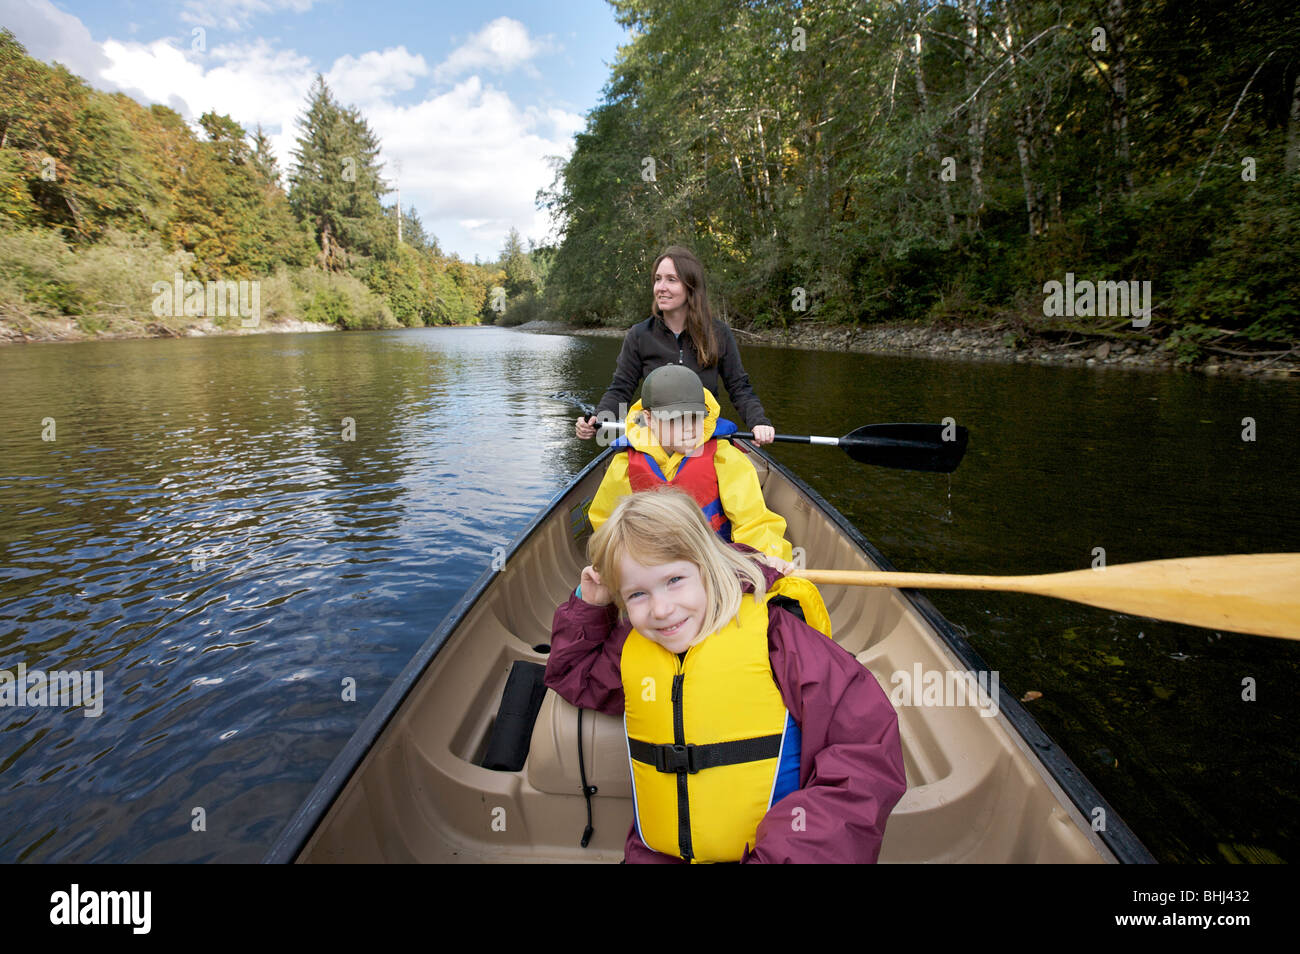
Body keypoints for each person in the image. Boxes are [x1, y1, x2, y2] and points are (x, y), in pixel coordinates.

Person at [546, 487, 906, 864]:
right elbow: (574, 675)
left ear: (708, 564)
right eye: (637, 594)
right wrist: (589, 605)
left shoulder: (778, 637)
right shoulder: (634, 645)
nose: (662, 609)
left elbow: (866, 749)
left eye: (674, 580)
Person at [574, 246, 776, 446]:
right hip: (654, 435)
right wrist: (599, 418)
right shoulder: (639, 335)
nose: (661, 287)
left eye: (671, 280)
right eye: (658, 279)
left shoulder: (718, 333)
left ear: (691, 287)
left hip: (702, 435)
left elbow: (739, 388)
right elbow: (621, 389)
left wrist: (758, 422)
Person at [590, 363, 793, 561]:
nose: (688, 428)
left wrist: (767, 558)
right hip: (650, 567)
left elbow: (753, 521)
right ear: (649, 418)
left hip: (714, 563)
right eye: (675, 420)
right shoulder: (624, 464)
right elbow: (606, 525)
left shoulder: (724, 458)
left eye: (695, 417)